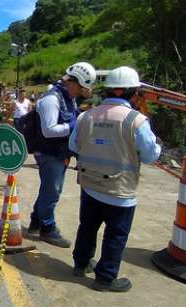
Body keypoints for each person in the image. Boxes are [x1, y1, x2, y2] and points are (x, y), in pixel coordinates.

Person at [70, 66, 161, 292]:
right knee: (116, 234)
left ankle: (80, 264)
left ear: (109, 90)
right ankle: (105, 278)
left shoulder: (86, 116)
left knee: (88, 227)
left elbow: (73, 145)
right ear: (129, 92)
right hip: (120, 191)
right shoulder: (136, 120)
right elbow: (149, 156)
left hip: (90, 185)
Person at [28, 62, 96, 247]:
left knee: (48, 189)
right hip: (49, 153)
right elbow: (49, 130)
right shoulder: (52, 99)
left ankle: (36, 221)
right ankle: (47, 228)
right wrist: (76, 125)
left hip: (59, 152)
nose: (81, 91)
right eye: (81, 88)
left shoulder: (68, 97)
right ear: (72, 82)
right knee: (52, 191)